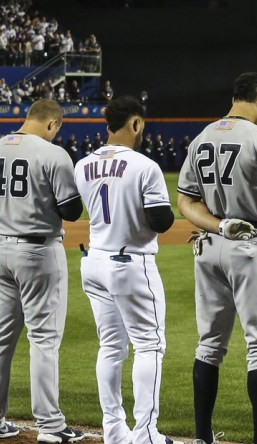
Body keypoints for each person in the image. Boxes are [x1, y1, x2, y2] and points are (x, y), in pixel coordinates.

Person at [178, 72, 257, 444]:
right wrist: (254, 213)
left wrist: (219, 224)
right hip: (251, 245)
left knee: (209, 343)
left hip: (210, 245)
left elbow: (186, 202)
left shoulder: (202, 138)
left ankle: (201, 437)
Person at [0, 99, 85, 442]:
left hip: (1, 251)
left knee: (1, 340)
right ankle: (50, 426)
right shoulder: (53, 154)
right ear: (53, 124)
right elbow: (71, 211)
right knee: (44, 340)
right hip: (38, 252)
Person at [74, 96, 179, 444]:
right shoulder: (144, 166)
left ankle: (113, 431)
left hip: (94, 260)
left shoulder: (83, 164)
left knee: (110, 347)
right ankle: (146, 433)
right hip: (129, 261)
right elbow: (161, 221)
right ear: (134, 124)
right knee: (149, 345)